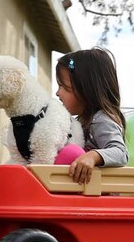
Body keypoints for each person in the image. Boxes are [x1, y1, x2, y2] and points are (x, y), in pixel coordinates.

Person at [54, 48, 128, 184]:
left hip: (97, 198)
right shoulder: (80, 122)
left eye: (64, 87)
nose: (58, 93)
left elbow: (120, 152)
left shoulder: (100, 119)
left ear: (86, 89)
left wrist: (93, 156)